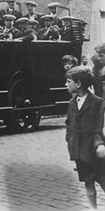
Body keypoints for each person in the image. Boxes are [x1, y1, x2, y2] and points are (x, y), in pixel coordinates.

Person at [64, 66, 105, 210]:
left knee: (103, 180)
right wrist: (70, 139)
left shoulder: (97, 102)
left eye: (69, 81)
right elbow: (68, 123)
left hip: (95, 152)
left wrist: (100, 144)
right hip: (79, 153)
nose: (66, 85)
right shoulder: (72, 103)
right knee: (88, 183)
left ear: (78, 84)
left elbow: (98, 127)